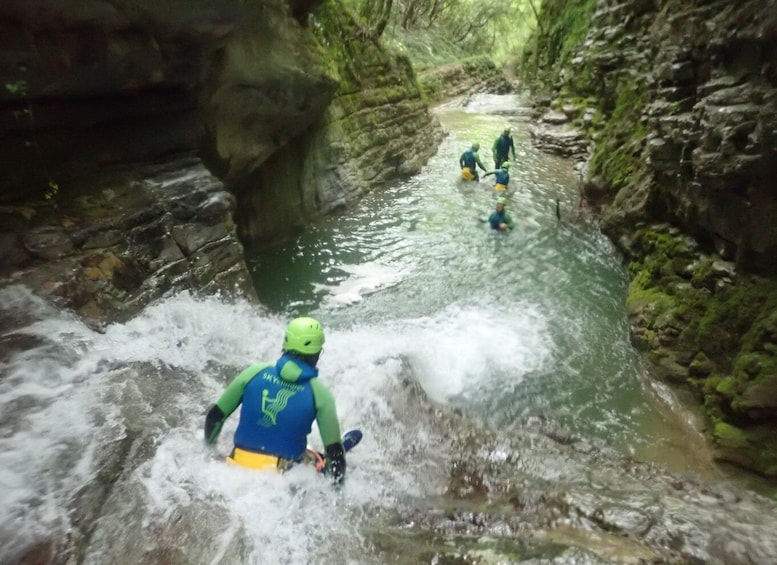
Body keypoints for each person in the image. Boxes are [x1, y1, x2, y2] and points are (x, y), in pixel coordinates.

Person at [204, 317, 346, 485]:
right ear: (317, 353)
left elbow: (214, 417)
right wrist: (336, 486)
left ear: (285, 344)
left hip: (235, 466)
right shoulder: (321, 394)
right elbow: (335, 454)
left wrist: (208, 451)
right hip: (280, 481)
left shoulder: (253, 372)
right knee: (320, 462)